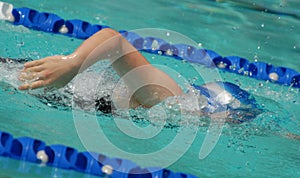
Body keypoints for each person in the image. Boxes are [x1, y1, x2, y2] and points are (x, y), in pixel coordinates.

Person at [18, 28, 260, 122]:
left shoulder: (176, 112)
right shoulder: (169, 96)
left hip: (38, 89)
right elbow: (114, 41)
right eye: (230, 122)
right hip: (35, 81)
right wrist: (72, 64)